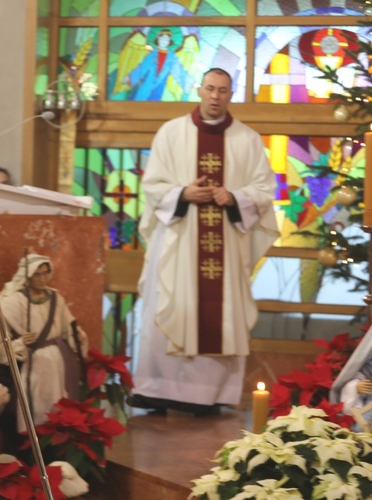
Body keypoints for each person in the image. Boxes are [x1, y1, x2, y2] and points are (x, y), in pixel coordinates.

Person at [131, 68, 279, 415]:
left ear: (231, 94)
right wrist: (183, 193)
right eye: (210, 88)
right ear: (200, 90)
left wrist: (235, 196)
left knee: (220, 313)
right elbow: (151, 185)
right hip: (178, 241)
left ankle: (212, 395)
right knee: (168, 303)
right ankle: (156, 389)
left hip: (225, 245)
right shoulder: (172, 132)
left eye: (223, 91)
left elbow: (264, 190)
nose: (215, 96)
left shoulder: (248, 139)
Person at [0, 254, 88, 436]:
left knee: (58, 406)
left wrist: (78, 337)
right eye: (37, 274)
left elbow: (69, 326)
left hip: (59, 364)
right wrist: (20, 344)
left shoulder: (56, 299)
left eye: (45, 273)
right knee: (34, 407)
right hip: (33, 364)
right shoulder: (13, 302)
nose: (42, 279)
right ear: (28, 276)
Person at [331, 331, 372, 432]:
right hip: (370, 406)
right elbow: (357, 379)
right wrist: (355, 387)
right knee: (362, 427)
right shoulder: (368, 366)